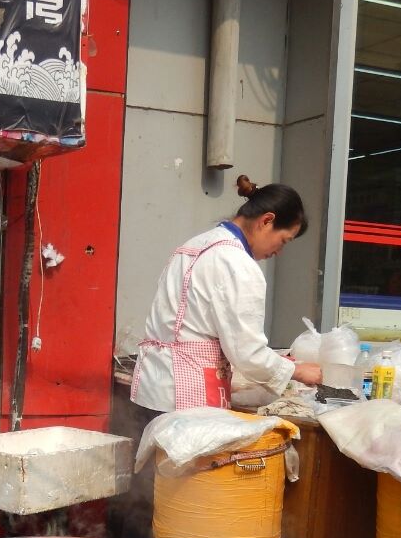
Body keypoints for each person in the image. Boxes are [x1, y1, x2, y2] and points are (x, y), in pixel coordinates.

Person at [130, 177, 323, 412]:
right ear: (267, 220)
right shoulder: (237, 264)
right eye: (283, 241)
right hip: (187, 398)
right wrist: (297, 371)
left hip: (153, 388)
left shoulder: (192, 246)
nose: (279, 252)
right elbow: (247, 353)